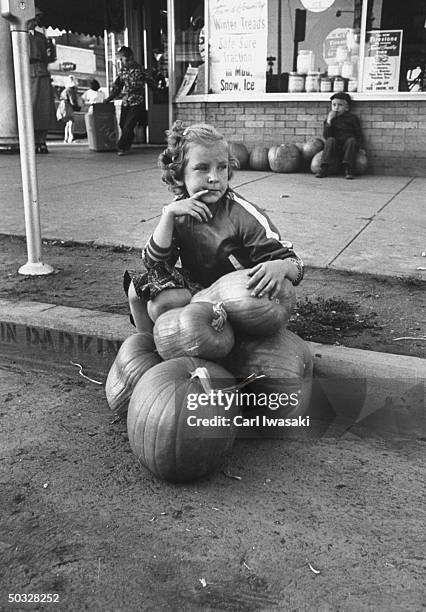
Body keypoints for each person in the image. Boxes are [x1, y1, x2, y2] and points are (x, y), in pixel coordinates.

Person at [124, 121, 304, 332]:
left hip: (239, 299)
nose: (214, 178)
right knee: (139, 293)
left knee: (167, 305)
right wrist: (168, 215)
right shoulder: (179, 210)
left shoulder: (241, 214)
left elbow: (296, 264)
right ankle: (148, 347)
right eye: (202, 168)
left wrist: (281, 266)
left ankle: (195, 340)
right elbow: (155, 266)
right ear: (180, 173)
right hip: (200, 291)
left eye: (222, 168)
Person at [103, 46, 157, 156]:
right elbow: (117, 88)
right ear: (121, 60)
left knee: (128, 125)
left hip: (137, 102)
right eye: (127, 60)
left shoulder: (140, 69)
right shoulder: (122, 72)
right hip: (126, 102)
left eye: (131, 59)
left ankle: (122, 147)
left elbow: (150, 82)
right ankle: (130, 138)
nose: (130, 62)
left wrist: (157, 90)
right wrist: (108, 99)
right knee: (122, 124)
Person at [316, 92, 366, 180]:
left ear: (346, 107)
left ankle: (348, 169)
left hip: (348, 147)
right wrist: (329, 121)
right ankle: (323, 168)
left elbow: (358, 134)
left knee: (352, 140)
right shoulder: (330, 119)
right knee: (330, 140)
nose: (336, 107)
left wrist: (361, 148)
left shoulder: (352, 118)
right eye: (334, 105)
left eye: (340, 105)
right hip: (335, 147)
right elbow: (326, 136)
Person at [28, 6, 56, 154]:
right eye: (36, 17)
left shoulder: (41, 37)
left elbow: (48, 57)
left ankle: (42, 141)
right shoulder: (20, 35)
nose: (38, 20)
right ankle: (33, 141)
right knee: (31, 109)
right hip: (29, 73)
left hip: (41, 73)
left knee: (43, 109)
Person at [58, 75, 80, 143]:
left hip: (62, 106)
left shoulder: (65, 90)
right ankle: (71, 137)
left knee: (67, 122)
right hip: (67, 106)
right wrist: (76, 107)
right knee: (71, 121)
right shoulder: (70, 90)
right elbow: (72, 100)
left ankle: (66, 138)